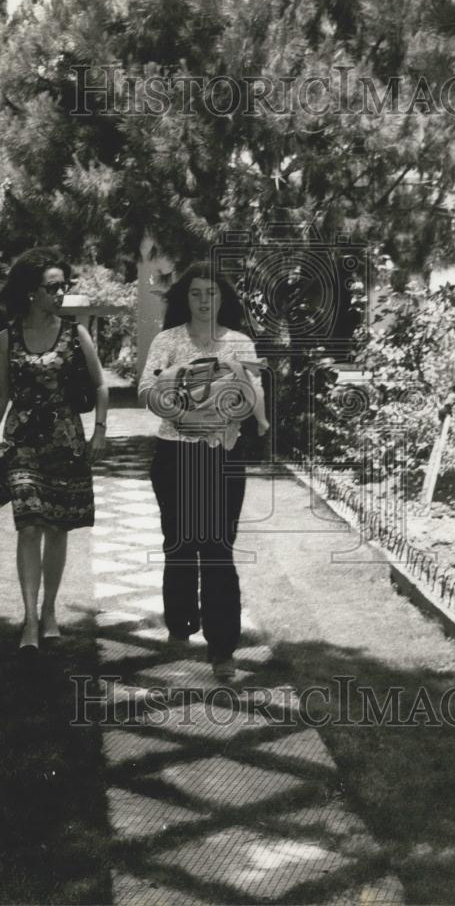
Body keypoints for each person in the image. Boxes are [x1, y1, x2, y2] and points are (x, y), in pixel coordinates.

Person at [138, 262, 269, 681]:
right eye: (195, 293)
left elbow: (253, 394)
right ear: (184, 298)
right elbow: (146, 388)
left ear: (222, 297)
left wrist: (239, 407)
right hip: (174, 454)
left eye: (211, 292)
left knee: (216, 548)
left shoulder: (240, 343)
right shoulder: (167, 341)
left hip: (221, 457)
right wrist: (185, 418)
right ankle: (180, 624)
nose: (203, 300)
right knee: (179, 542)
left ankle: (222, 646)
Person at [0, 249, 108, 652]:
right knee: (29, 524)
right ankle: (30, 619)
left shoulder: (76, 333)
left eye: (64, 286)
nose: (61, 293)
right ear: (31, 292)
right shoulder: (7, 337)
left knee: (57, 527)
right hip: (23, 442)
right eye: (53, 287)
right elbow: (1, 391)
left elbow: (101, 385)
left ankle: (50, 608)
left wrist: (99, 433)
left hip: (67, 441)